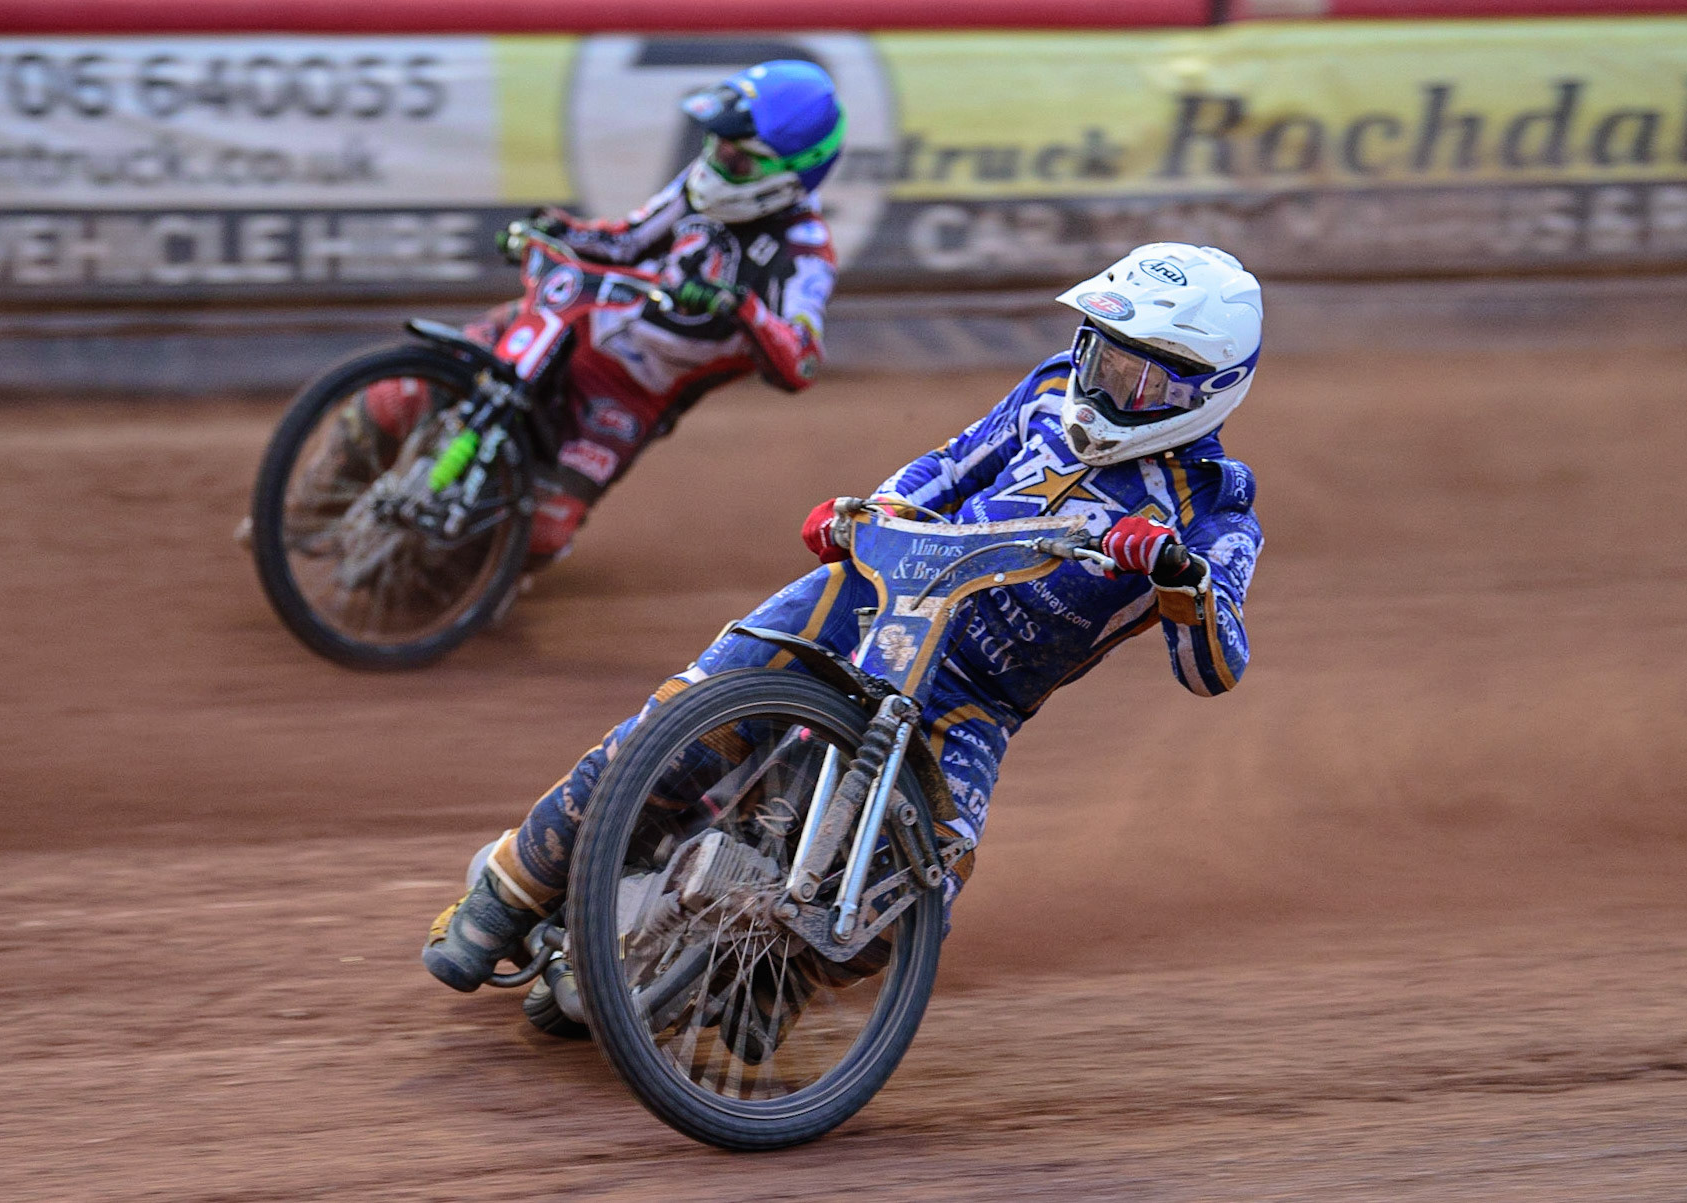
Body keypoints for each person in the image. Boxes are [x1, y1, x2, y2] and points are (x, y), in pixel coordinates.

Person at [422, 242, 1266, 1018]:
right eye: (1099, 354)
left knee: (930, 878)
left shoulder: (1216, 514)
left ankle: (766, 980)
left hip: (973, 696)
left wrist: (1179, 578)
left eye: (1136, 377)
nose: (1104, 384)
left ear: (1204, 388)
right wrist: (873, 511)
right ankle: (507, 890)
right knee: (692, 714)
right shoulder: (1050, 390)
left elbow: (1213, 667)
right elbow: (950, 464)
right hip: (872, 597)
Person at [339, 59, 845, 566]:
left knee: (541, 532)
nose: (717, 164)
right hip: (574, 318)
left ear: (792, 173)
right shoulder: (701, 184)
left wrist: (741, 307)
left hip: (628, 394)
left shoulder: (805, 253)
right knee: (395, 398)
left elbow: (800, 361)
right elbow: (625, 240)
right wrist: (556, 228)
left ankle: (444, 598)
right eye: (717, 146)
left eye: (738, 160)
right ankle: (306, 512)